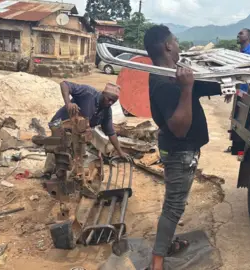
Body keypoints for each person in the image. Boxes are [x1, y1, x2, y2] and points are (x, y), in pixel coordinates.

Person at [143, 25, 222, 270]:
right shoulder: (163, 81)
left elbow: (198, 88)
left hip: (181, 151)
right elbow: (179, 127)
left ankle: (162, 250)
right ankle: (157, 262)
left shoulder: (169, 73)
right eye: (176, 41)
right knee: (174, 205)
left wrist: (224, 82)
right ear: (167, 46)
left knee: (175, 202)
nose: (179, 45)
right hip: (179, 152)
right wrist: (187, 88)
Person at [43, 81, 128, 177]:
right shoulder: (88, 93)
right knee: (58, 148)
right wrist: (68, 104)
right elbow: (64, 84)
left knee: (78, 154)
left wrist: (120, 151)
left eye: (113, 101)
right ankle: (48, 172)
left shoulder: (106, 111)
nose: (110, 103)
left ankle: (69, 175)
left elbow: (111, 133)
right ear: (103, 94)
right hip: (60, 124)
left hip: (78, 133)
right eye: (109, 99)